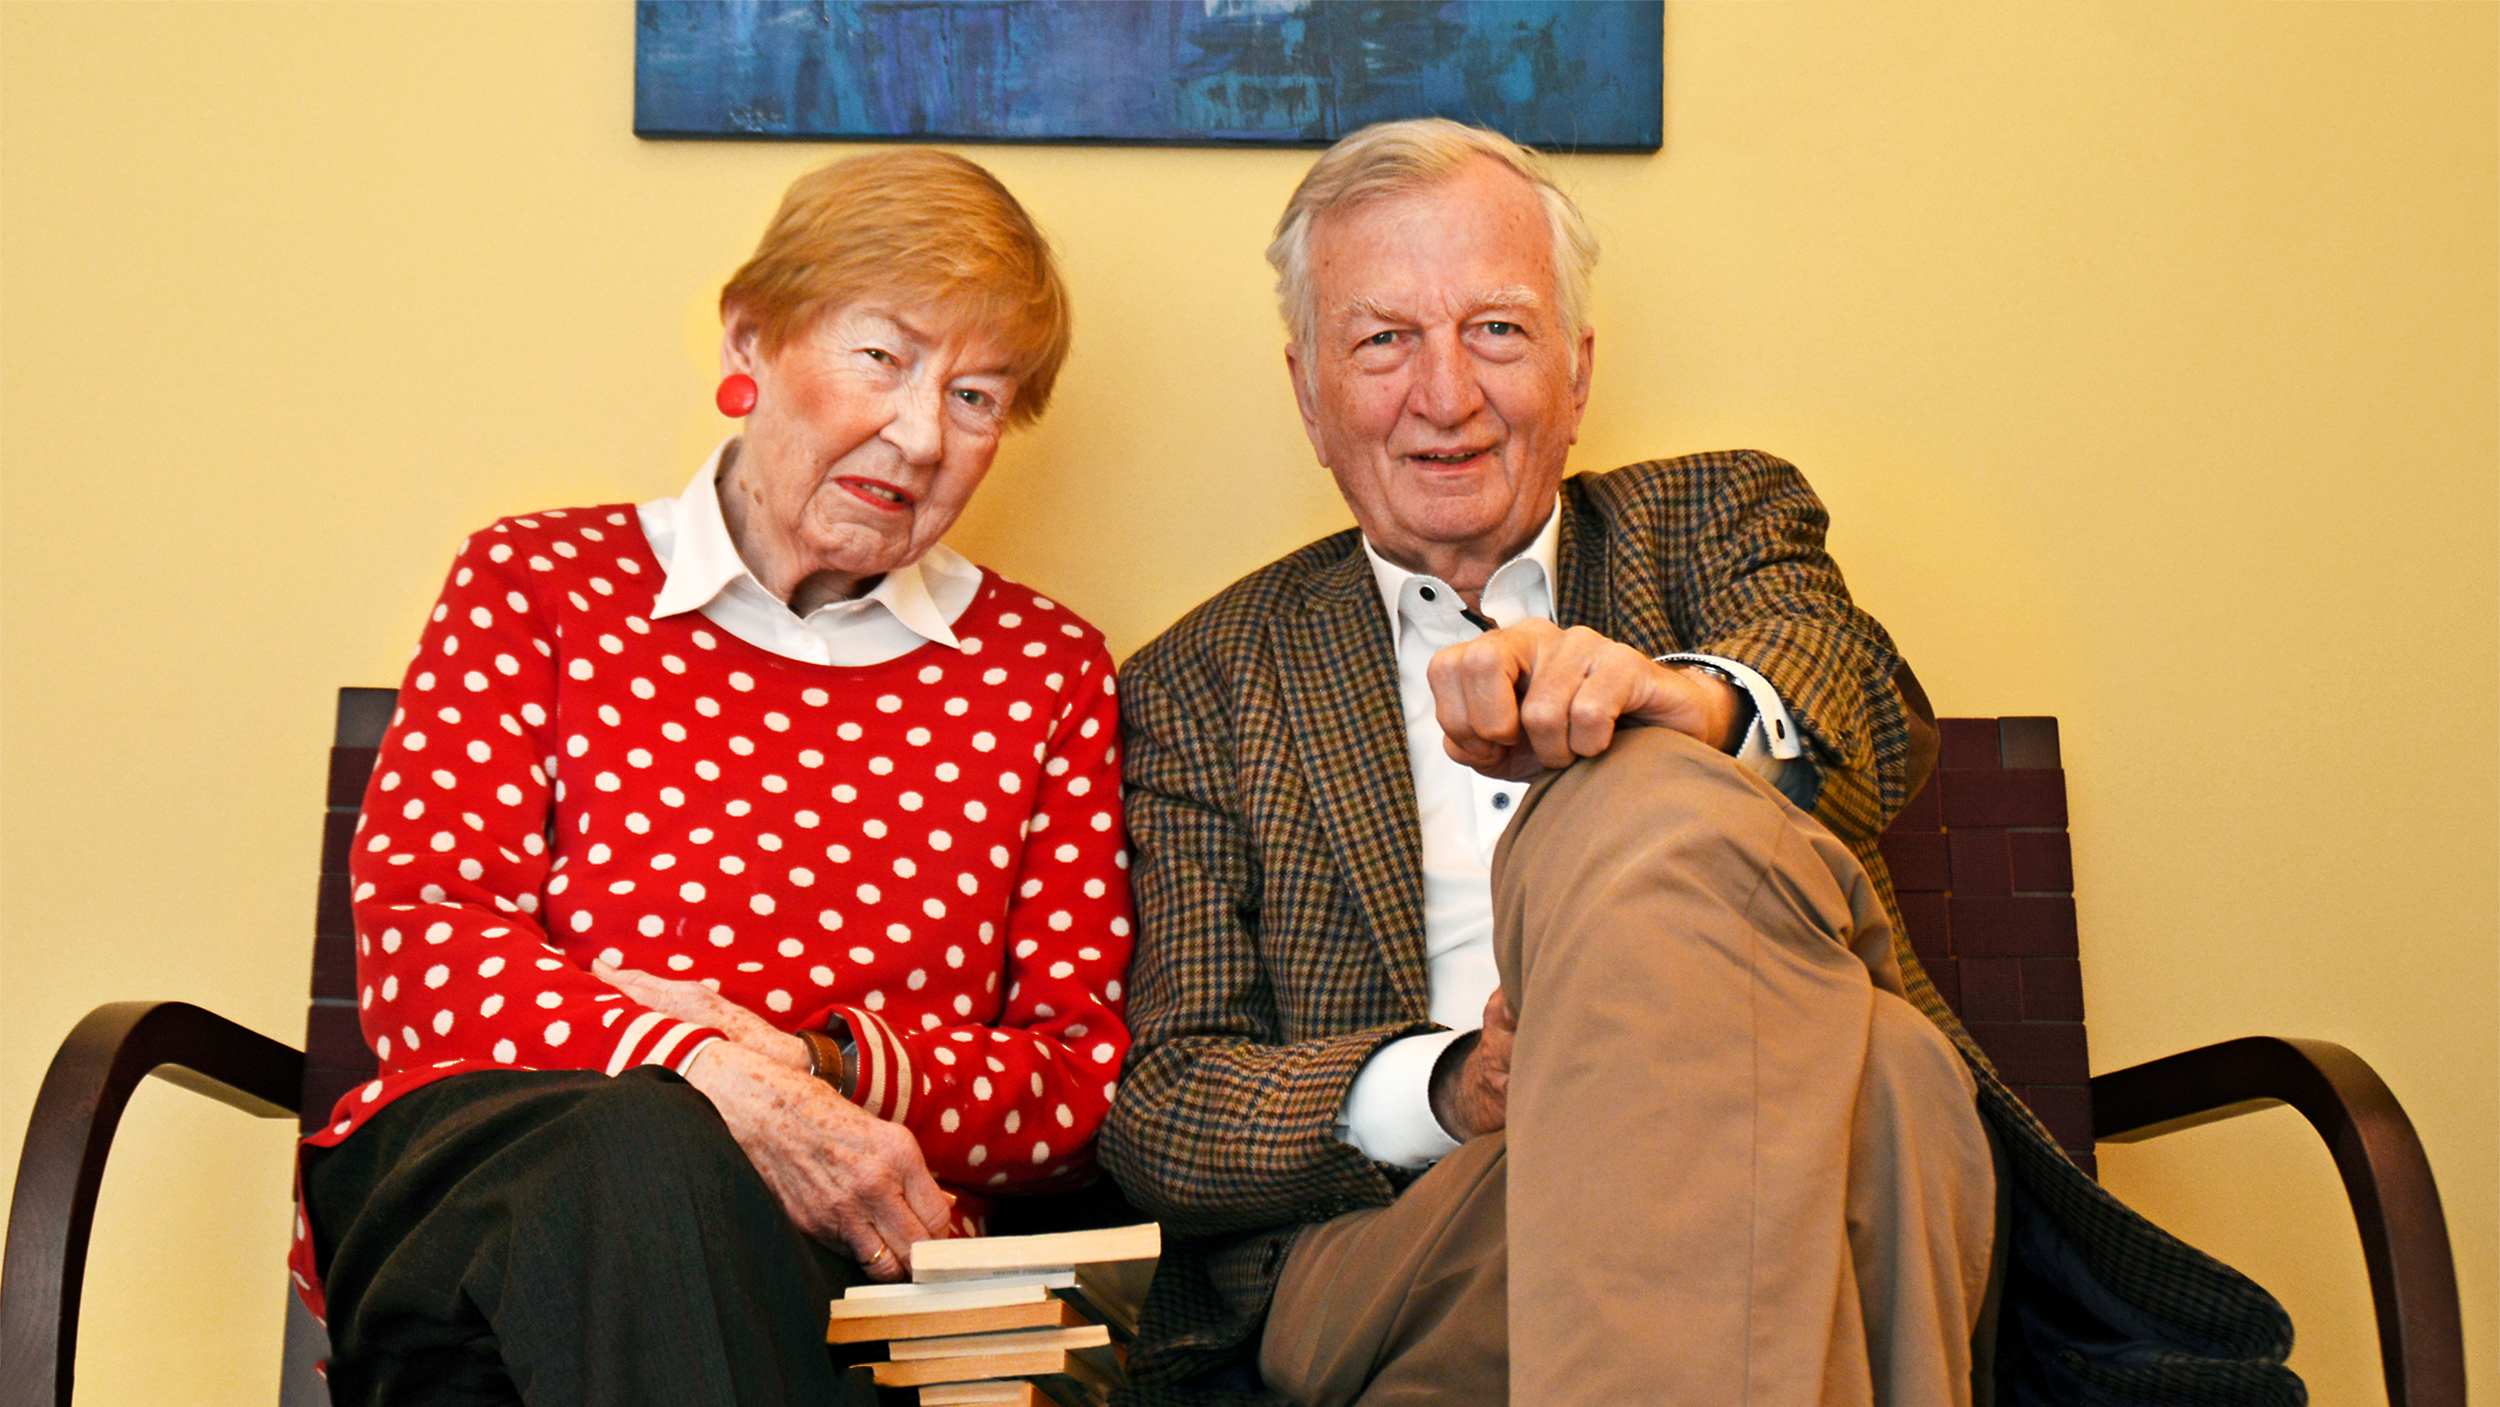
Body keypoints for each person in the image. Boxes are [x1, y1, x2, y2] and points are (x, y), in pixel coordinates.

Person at [1102, 119, 2300, 1406]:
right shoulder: (1204, 681)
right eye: (1382, 338)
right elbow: (1167, 1107)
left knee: (1703, 852)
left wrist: (1671, 699)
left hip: (1758, 1186)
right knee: (1881, 1088)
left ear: (1576, 366)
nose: (1443, 394)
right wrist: (1456, 1084)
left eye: (1496, 330)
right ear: (1307, 391)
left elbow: (1864, 703)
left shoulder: (1714, 517)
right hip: (1412, 1239)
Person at [290, 149, 1135, 1407]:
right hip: (499, 1223)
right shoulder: (537, 585)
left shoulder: (1043, 671)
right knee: (646, 1147)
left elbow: (1076, 1081)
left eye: (974, 397)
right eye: (883, 358)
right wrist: (707, 1073)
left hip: (878, 1284)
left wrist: (824, 1072)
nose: (916, 433)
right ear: (753, 335)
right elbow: (428, 948)